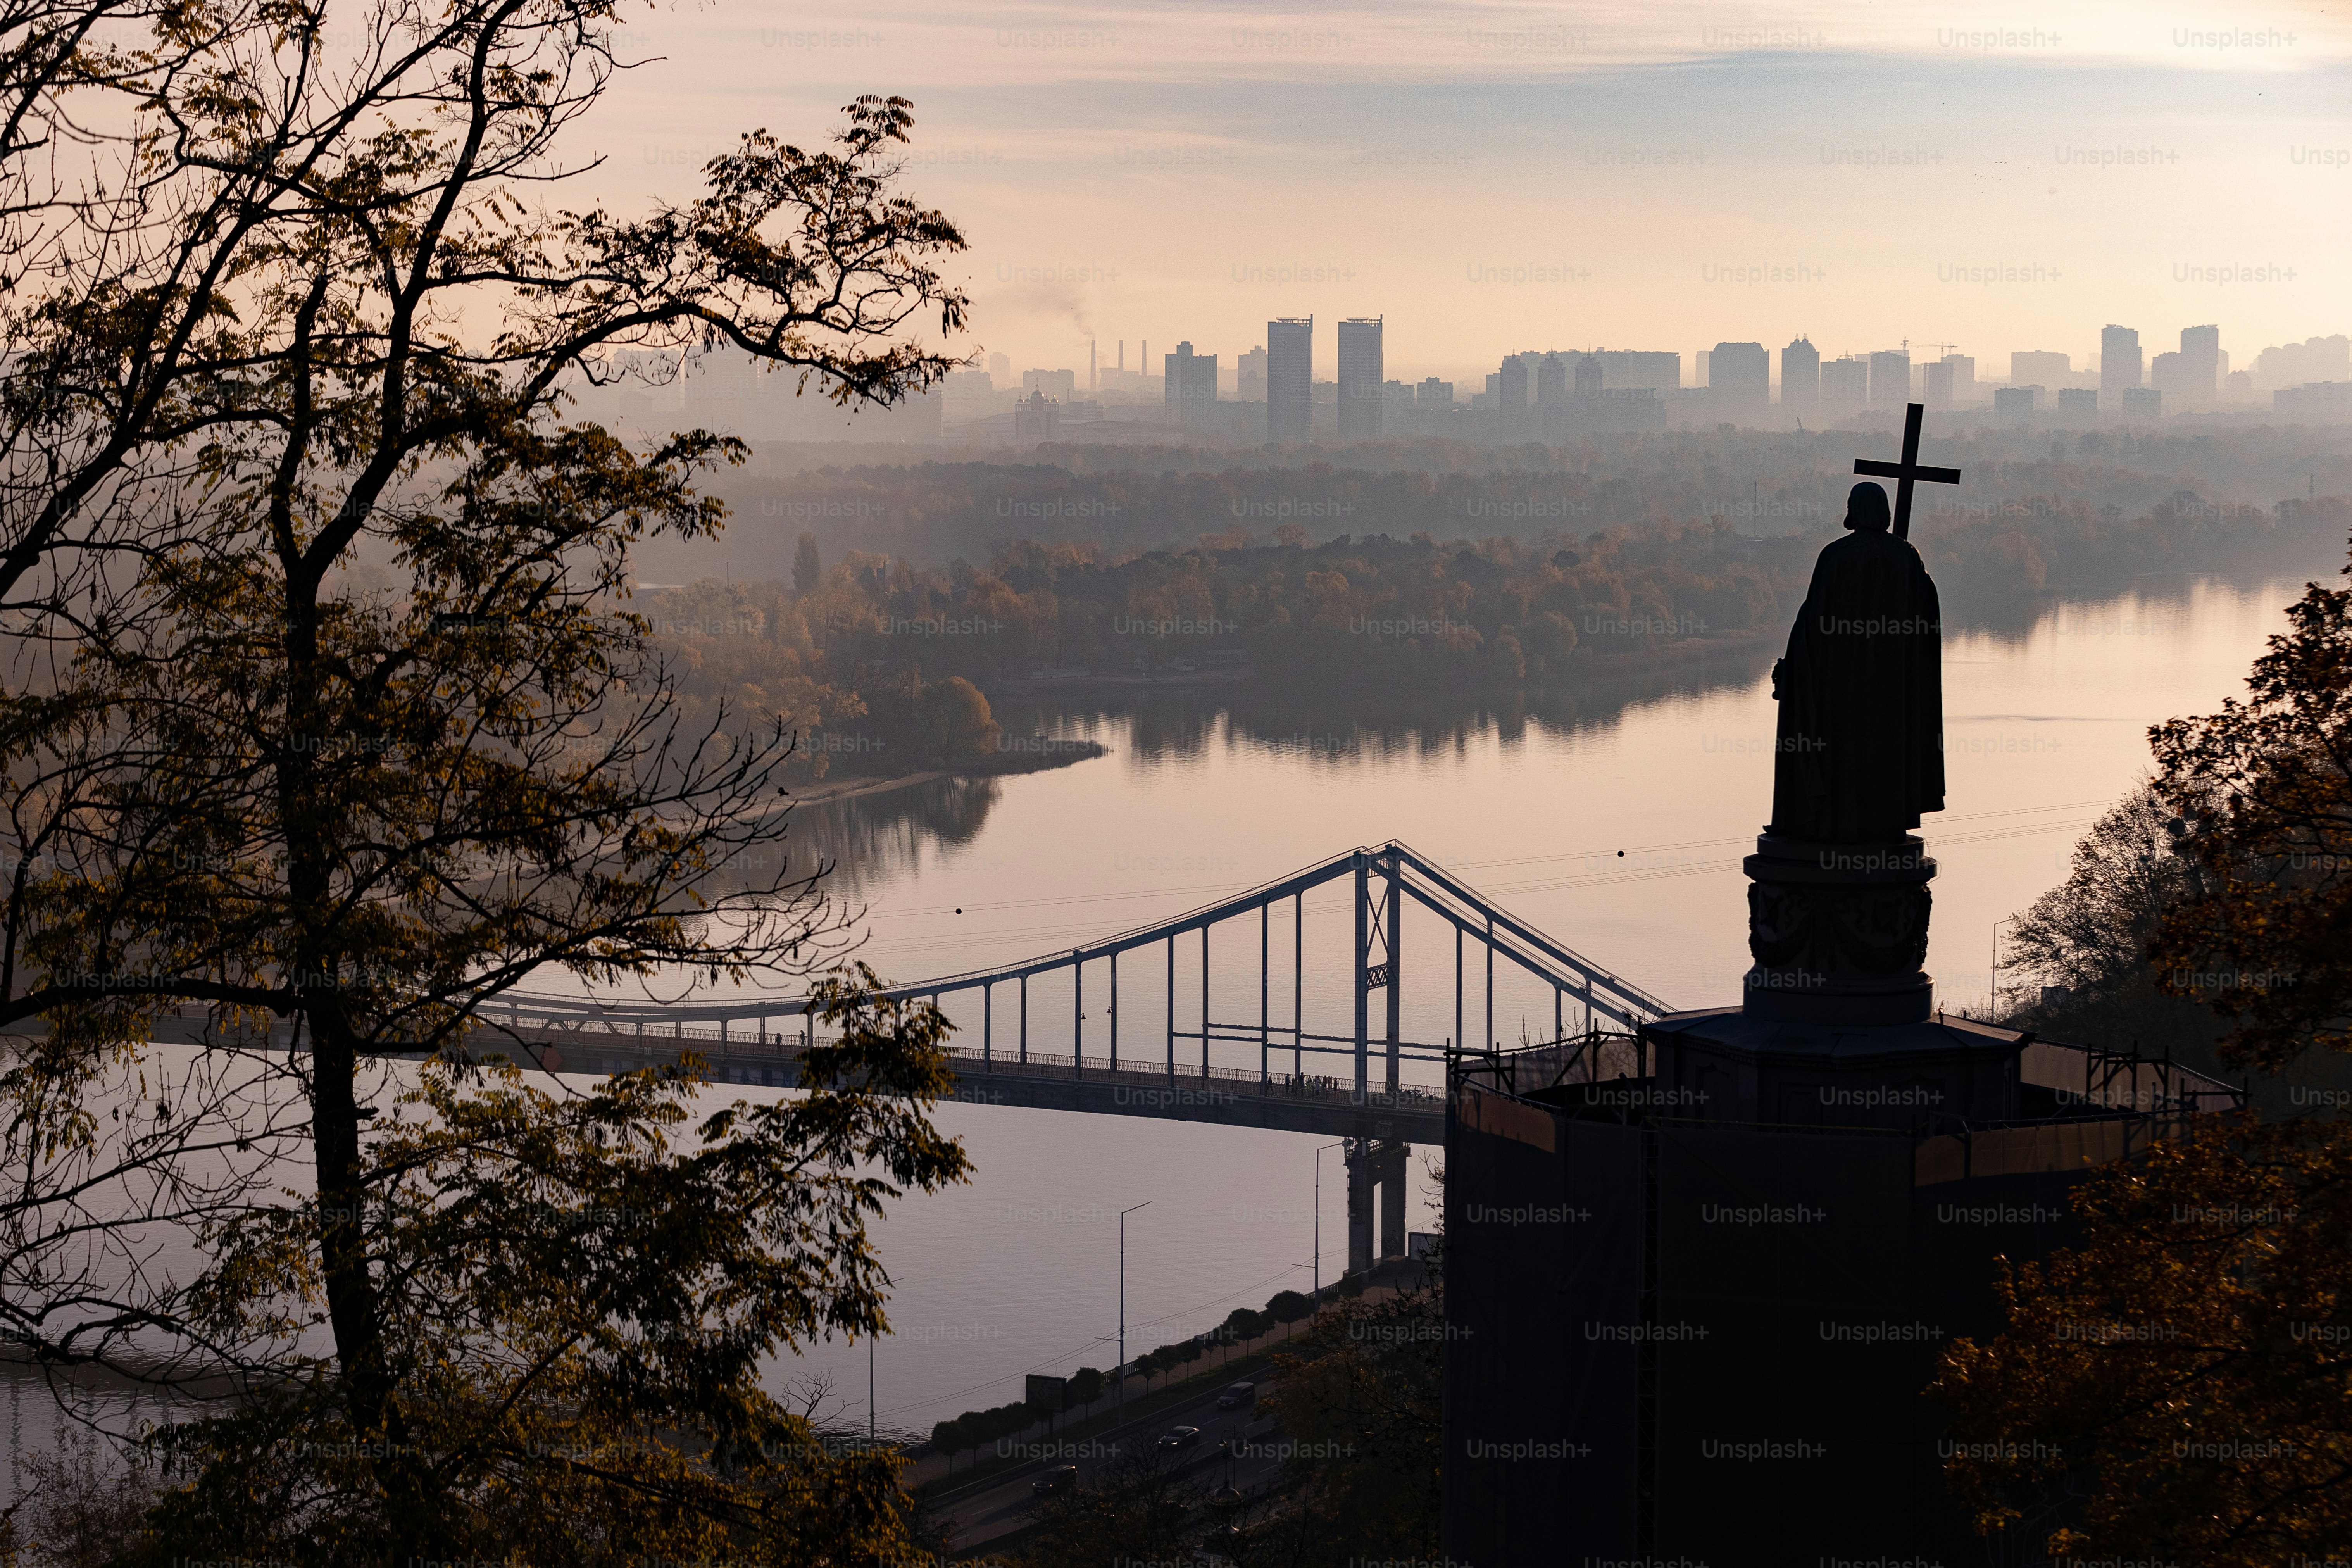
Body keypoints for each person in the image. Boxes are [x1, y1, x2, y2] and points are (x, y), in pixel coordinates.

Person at [1766, 482, 1945, 842]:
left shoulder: (1836, 556)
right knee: (1883, 750)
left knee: (1840, 750)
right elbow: (1925, 618)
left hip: (1841, 685)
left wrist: (1793, 669)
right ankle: (1882, 822)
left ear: (1855, 509)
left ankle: (1834, 821)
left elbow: (1812, 624)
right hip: (1892, 686)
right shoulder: (1907, 557)